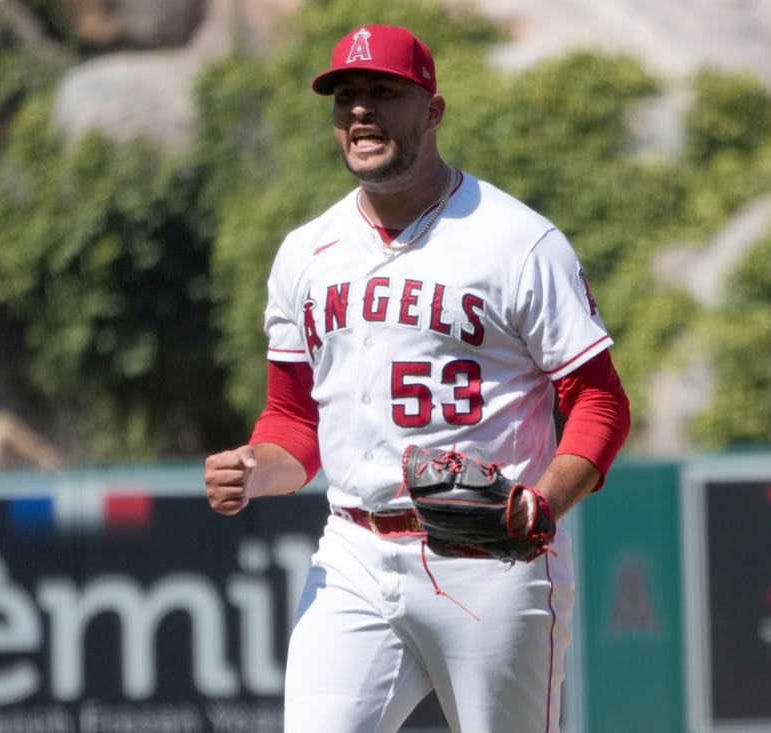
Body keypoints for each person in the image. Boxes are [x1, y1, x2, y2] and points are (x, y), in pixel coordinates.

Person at [204, 24, 630, 733]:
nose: (360, 111)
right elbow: (294, 424)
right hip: (355, 554)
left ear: (432, 110)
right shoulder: (305, 253)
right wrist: (254, 468)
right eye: (345, 96)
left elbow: (600, 401)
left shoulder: (517, 241)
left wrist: (544, 500)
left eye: (382, 92)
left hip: (489, 558)